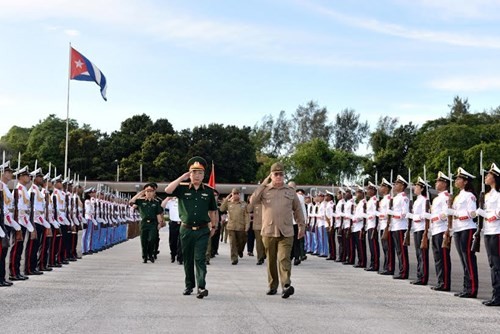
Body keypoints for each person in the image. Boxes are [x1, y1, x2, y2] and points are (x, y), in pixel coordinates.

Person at [250, 162, 305, 299]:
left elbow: (298, 210)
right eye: (276, 174)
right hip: (268, 231)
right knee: (271, 260)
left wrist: (301, 226)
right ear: (271, 175)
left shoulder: (290, 191)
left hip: (286, 231)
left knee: (284, 258)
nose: (279, 177)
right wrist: (264, 183)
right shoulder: (265, 190)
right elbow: (252, 201)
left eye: (281, 174)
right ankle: (272, 285)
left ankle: (286, 285)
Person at [165, 156, 217, 299]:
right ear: (190, 174)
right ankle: (189, 285)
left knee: (200, 258)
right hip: (186, 230)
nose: (197, 176)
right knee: (187, 259)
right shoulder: (181, 188)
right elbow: (168, 190)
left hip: (202, 230)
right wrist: (182, 177)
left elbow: (213, 210)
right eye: (194, 172)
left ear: (203, 175)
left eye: (200, 173)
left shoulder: (208, 191)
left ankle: (201, 286)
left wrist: (213, 226)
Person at [450, 167, 478, 298]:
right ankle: (466, 287)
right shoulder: (457, 196)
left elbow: (471, 213)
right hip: (458, 229)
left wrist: (456, 214)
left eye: (459, 179)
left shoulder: (470, 196)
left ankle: (472, 288)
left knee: (468, 259)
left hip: (467, 228)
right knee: (463, 260)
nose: (456, 180)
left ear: (465, 181)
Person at [478, 163, 500, 306]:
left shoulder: (498, 194)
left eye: (489, 175)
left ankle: (498, 296)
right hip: (488, 231)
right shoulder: (488, 195)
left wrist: (485, 214)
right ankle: (495, 294)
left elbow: (498, 213)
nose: (486, 177)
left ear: (495, 178)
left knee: (497, 265)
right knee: (492, 264)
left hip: (496, 231)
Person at [129, 183, 162, 264]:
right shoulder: (140, 201)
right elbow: (131, 202)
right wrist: (140, 193)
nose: (149, 193)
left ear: (154, 192)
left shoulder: (156, 202)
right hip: (144, 223)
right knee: (144, 240)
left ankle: (150, 254)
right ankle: (144, 256)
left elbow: (158, 214)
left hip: (153, 223)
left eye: (151, 191)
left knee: (152, 239)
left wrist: (160, 223)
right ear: (145, 192)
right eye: (147, 191)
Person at [430, 171, 452, 292]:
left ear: (444, 183)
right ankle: (440, 281)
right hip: (435, 229)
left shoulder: (446, 197)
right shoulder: (438, 198)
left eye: (438, 181)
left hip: (442, 229)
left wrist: (435, 218)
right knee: (438, 258)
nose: (436, 183)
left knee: (443, 258)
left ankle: (445, 283)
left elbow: (445, 214)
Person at [407, 177, 430, 285]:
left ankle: (423, 277)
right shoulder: (417, 200)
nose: (414, 188)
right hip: (416, 228)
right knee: (418, 254)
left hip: (421, 228)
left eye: (417, 186)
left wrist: (416, 217)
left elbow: (424, 215)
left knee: (422, 254)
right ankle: (419, 275)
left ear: (422, 189)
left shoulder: (425, 200)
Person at [220, 188, 249, 265]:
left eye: (237, 194)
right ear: (232, 194)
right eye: (234, 194)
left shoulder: (243, 204)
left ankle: (240, 251)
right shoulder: (229, 203)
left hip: (241, 226)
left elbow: (247, 215)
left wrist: (247, 225)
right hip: (231, 226)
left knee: (241, 242)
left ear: (239, 195)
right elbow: (222, 209)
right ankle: (234, 258)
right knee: (232, 243)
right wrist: (227, 198)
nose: (235, 195)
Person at [388, 175, 410, 279]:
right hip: (395, 226)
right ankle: (401, 270)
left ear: (402, 186)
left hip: (401, 226)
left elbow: (404, 214)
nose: (394, 186)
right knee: (398, 250)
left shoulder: (404, 198)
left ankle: (404, 272)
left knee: (402, 251)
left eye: (397, 184)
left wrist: (393, 214)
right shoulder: (395, 198)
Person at [378, 178, 394, 275]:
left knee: (388, 248)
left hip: (386, 226)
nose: (380, 188)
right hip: (382, 224)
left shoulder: (389, 199)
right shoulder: (383, 199)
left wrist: (387, 227)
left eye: (382, 186)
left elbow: (389, 214)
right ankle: (386, 266)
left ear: (387, 188)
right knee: (385, 248)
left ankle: (390, 267)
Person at [161, 196, 183, 264]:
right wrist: (168, 198)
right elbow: (162, 205)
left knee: (181, 240)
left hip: (183, 223)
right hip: (173, 223)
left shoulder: (184, 200)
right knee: (173, 240)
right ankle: (173, 254)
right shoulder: (171, 202)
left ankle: (180, 258)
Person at [365, 182, 379, 271]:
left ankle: (375, 265)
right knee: (371, 246)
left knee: (374, 246)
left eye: (369, 189)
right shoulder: (370, 200)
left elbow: (376, 214)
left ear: (373, 191)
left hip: (373, 225)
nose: (367, 191)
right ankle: (372, 264)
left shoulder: (375, 201)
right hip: (369, 225)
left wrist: (375, 228)